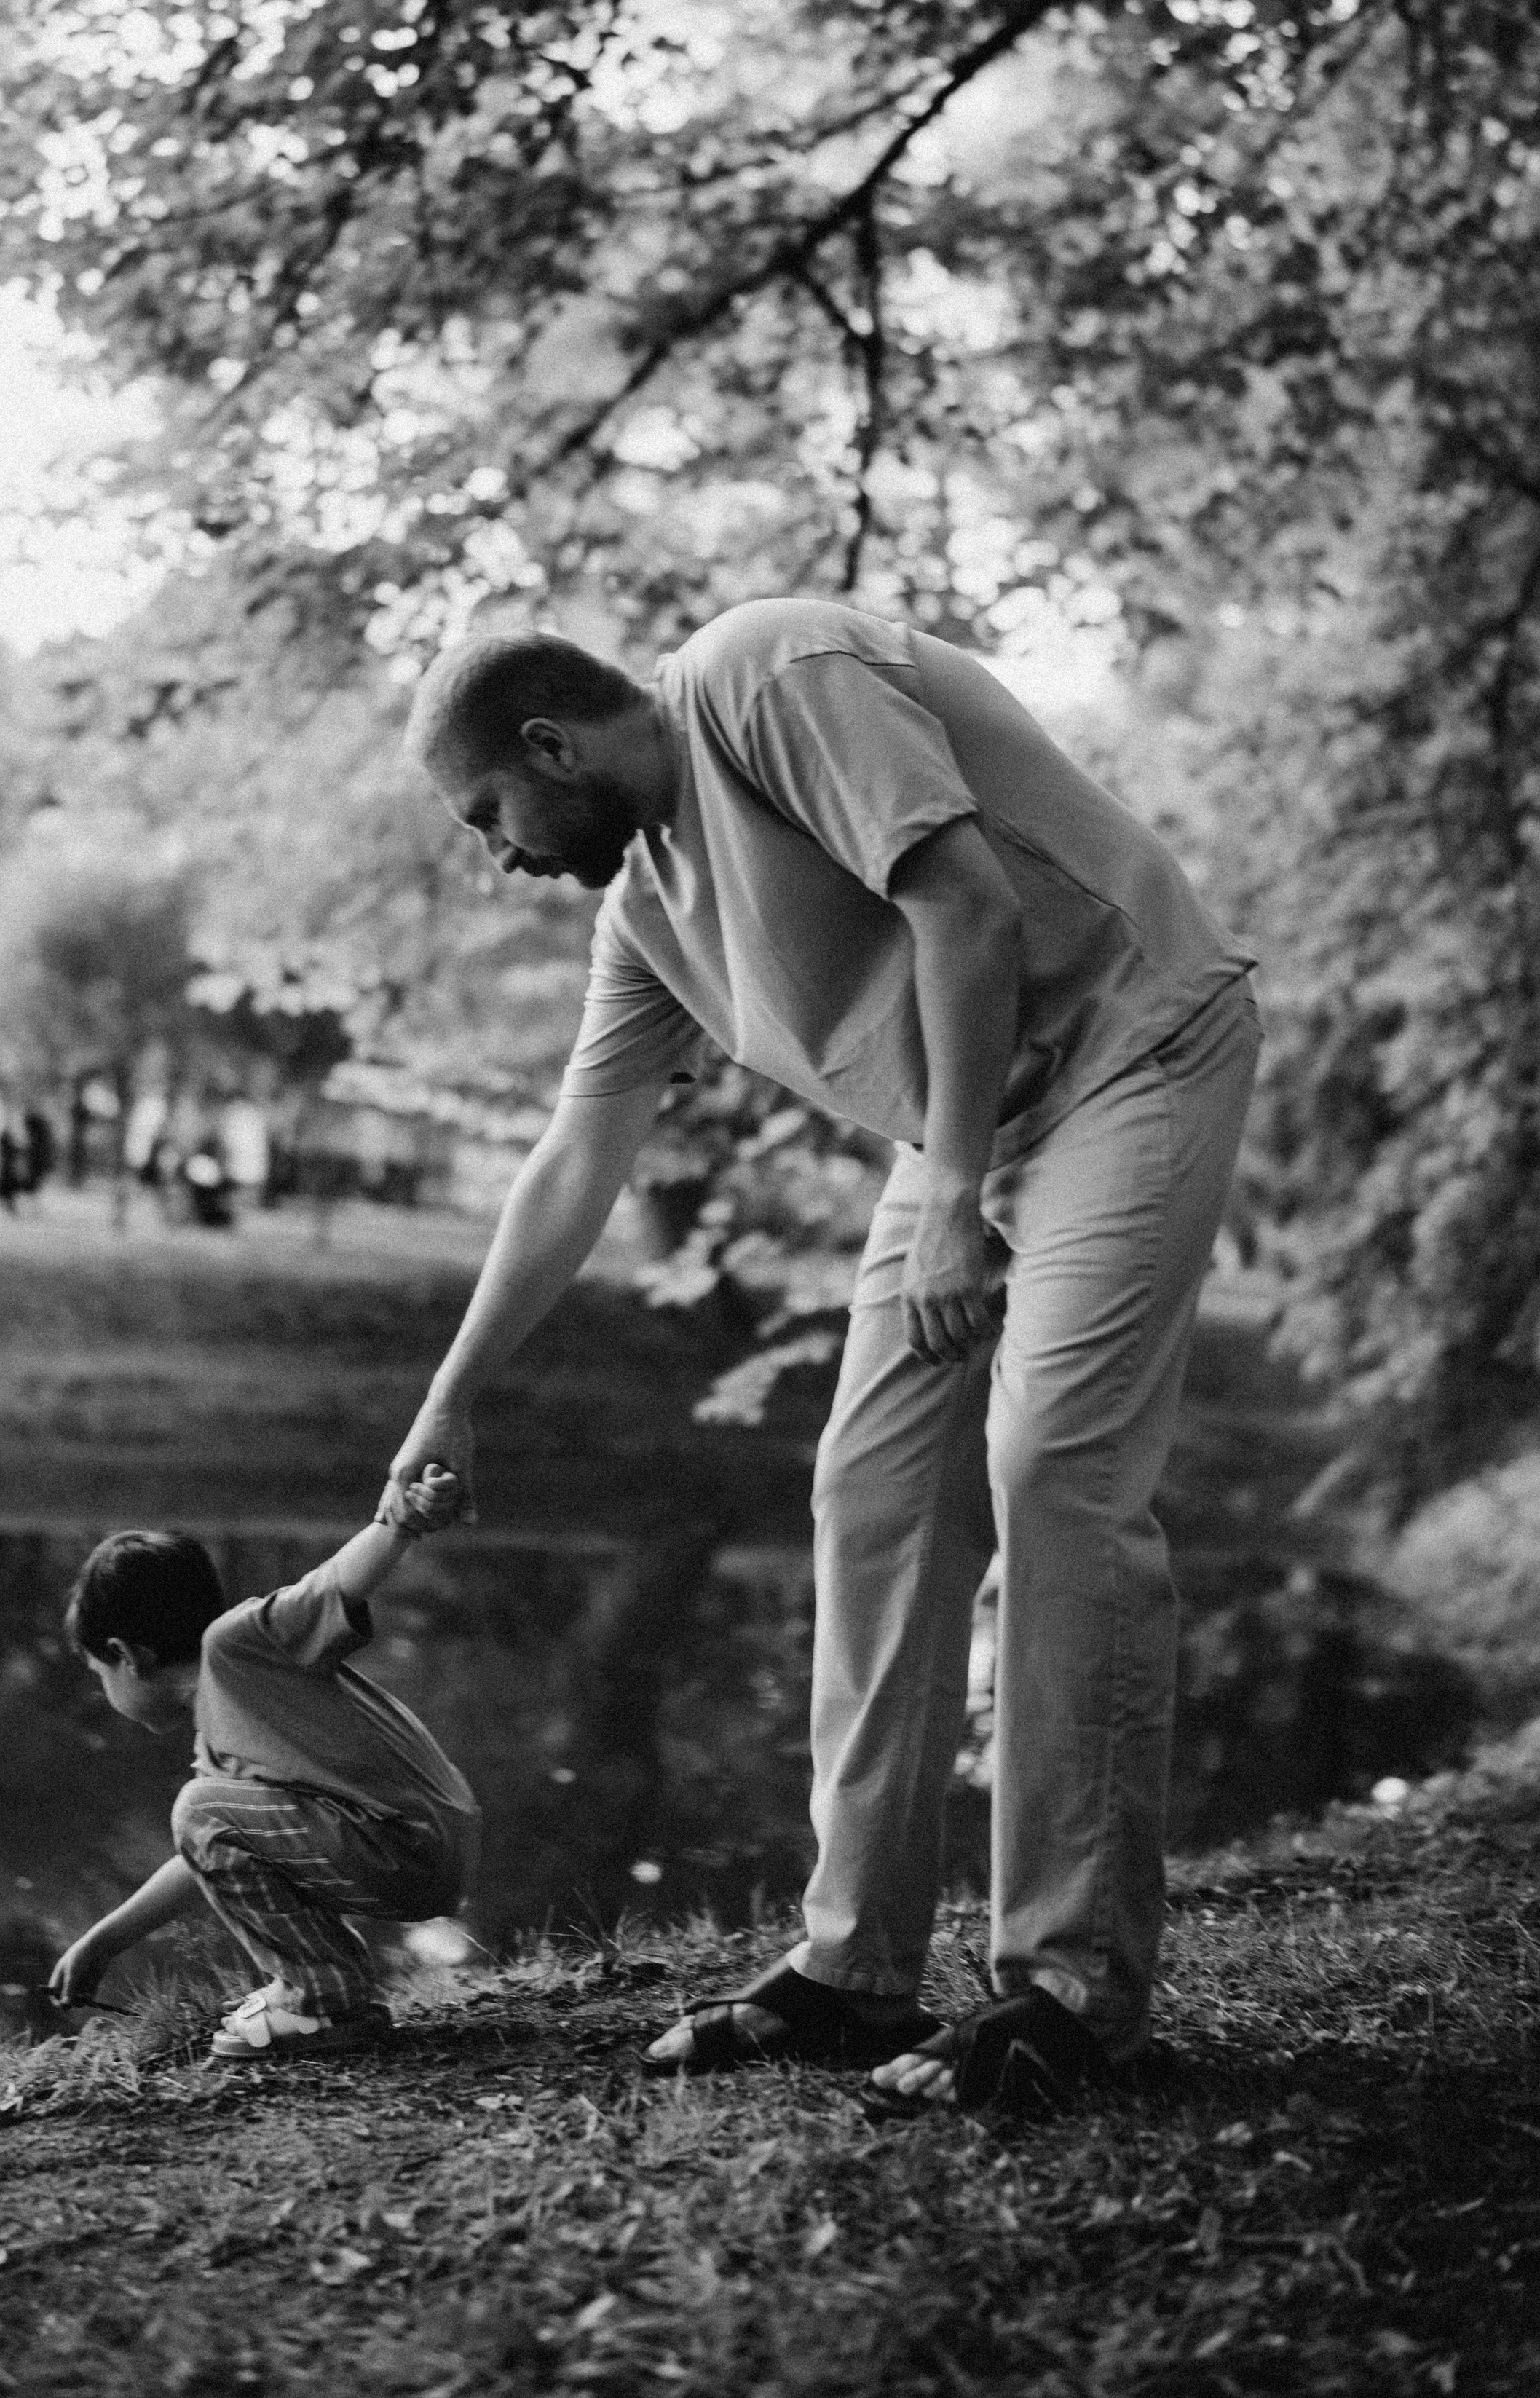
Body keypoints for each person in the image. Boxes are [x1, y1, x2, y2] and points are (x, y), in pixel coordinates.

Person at [383, 597, 1258, 2116]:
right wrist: (452, 1395)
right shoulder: (647, 915)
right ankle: (854, 1969)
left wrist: (955, 1202)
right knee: (874, 1495)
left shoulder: (761, 673)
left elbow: (968, 909)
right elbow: (576, 1158)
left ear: (551, 744)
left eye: (489, 816)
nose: (500, 857)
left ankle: (1076, 1995)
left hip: (1132, 1051)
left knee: (1052, 1469)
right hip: (970, 1127)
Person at [49, 1472, 478, 2062]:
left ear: (127, 1656)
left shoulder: (238, 1644)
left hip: (408, 1845)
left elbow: (338, 1582)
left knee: (198, 1810)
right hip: (425, 1848)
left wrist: (403, 1521)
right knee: (203, 1814)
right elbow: (202, 1856)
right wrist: (104, 1941)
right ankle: (328, 1990)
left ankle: (319, 1994)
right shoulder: (220, 1740)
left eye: (100, 1672)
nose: (105, 1688)